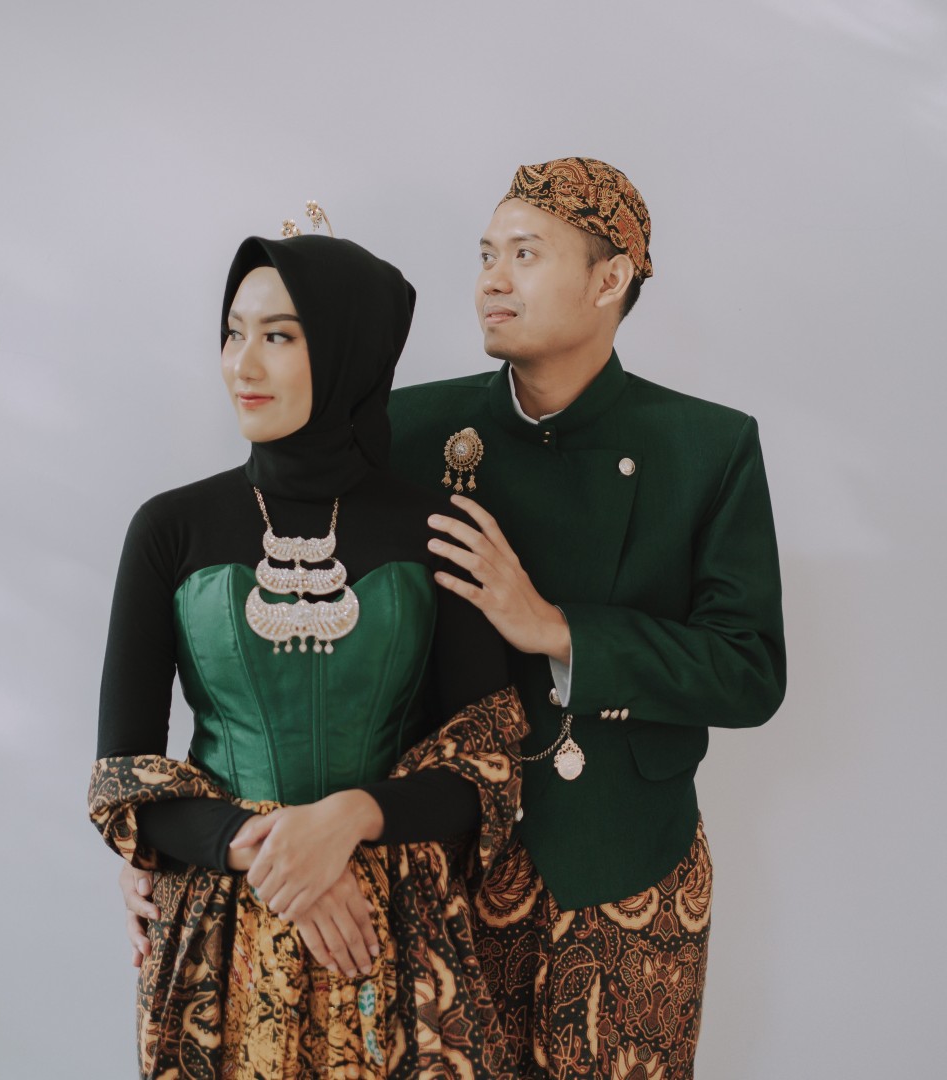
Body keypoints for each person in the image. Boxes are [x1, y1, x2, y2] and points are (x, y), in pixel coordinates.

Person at [121, 158, 786, 1079]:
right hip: (431, 875)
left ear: (610, 279)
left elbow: (749, 670)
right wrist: (175, 841)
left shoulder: (707, 446)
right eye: (484, 254)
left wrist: (556, 628)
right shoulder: (406, 425)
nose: (491, 280)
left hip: (625, 862)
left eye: (524, 254)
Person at [90, 229, 526, 1078]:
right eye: (232, 333)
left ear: (347, 350)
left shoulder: (440, 528)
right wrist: (275, 852)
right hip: (218, 936)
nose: (242, 365)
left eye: (279, 336)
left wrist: (351, 818)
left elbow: (486, 770)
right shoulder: (168, 528)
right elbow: (122, 779)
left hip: (395, 939)